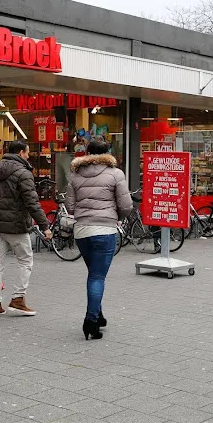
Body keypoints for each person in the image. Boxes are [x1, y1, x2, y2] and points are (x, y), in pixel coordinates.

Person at [66, 140, 132, 340]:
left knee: (94, 273)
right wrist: (116, 217)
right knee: (97, 276)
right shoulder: (115, 174)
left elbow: (69, 206)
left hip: (82, 231)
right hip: (105, 230)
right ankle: (91, 321)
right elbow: (126, 204)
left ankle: (99, 314)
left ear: (87, 153)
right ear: (108, 153)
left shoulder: (75, 175)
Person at [0, 140, 52, 318]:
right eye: (27, 153)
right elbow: (32, 203)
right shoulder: (23, 174)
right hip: (16, 227)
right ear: (21, 153)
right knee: (25, 260)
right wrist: (45, 226)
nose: (28, 156)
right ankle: (18, 299)